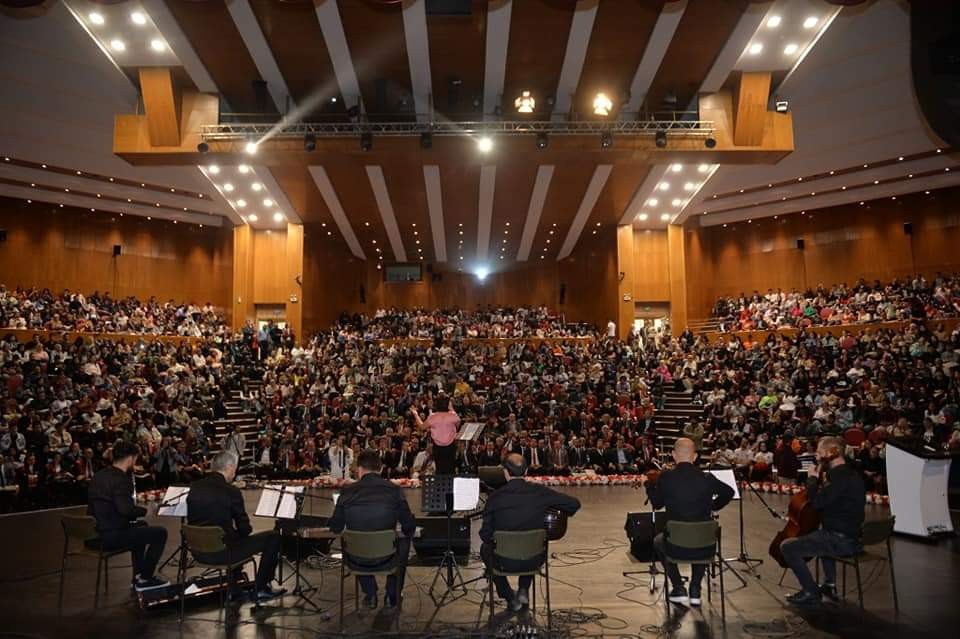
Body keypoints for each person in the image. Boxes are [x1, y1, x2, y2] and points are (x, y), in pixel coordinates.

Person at [480, 453, 581, 612]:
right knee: (533, 544)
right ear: (526, 471)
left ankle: (508, 595)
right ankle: (523, 589)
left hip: (502, 561)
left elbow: (485, 535)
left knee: (485, 549)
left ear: (505, 472)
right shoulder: (540, 492)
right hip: (534, 560)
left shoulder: (495, 497)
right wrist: (550, 511)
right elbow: (574, 504)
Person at [642, 438, 734, 606]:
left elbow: (657, 503)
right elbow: (729, 492)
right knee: (700, 535)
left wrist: (649, 485)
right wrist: (714, 506)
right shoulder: (707, 478)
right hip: (705, 545)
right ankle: (695, 588)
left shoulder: (666, 477)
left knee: (657, 541)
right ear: (695, 456)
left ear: (673, 455)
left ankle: (678, 587)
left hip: (675, 545)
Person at [186, 452, 285, 602]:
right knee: (273, 537)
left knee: (230, 537)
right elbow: (245, 529)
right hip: (222, 554)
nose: (235, 472)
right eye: (235, 468)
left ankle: (234, 587)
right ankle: (261, 588)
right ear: (229, 467)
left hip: (197, 552)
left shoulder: (195, 487)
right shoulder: (231, 491)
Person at [780, 436, 866, 607]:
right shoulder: (850, 473)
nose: (817, 457)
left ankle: (810, 591)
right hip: (854, 537)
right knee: (820, 537)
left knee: (787, 547)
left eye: (819, 453)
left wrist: (812, 479)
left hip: (841, 541)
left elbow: (818, 502)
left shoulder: (839, 478)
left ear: (832, 452)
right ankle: (830, 585)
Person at [327, 449, 416, 609]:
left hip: (356, 560)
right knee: (404, 542)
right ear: (381, 469)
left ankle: (370, 593)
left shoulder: (347, 492)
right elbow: (409, 526)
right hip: (388, 558)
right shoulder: (395, 490)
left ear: (359, 469)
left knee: (353, 541)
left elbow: (336, 527)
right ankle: (392, 594)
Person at [87, 441, 169, 591]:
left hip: (95, 532)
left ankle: (138, 576)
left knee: (141, 527)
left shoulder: (99, 475)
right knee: (160, 533)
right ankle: (145, 578)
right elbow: (125, 510)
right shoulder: (121, 480)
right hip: (110, 536)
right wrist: (147, 511)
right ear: (131, 458)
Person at [411, 396, 459, 475]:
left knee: (439, 469)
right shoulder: (452, 415)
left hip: (438, 446)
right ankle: (451, 486)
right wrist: (451, 409)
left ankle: (440, 486)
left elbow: (422, 427)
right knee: (450, 469)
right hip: (450, 446)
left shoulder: (433, 417)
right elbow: (458, 423)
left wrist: (415, 414)